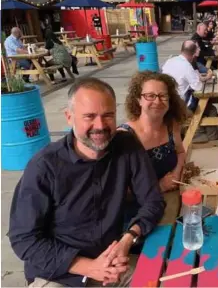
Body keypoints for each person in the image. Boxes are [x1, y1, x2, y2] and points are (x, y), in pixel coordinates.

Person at [8, 78, 166, 287]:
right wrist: (89, 267)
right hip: (59, 274)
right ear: (69, 117)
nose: (100, 126)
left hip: (113, 264)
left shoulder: (126, 145)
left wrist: (128, 239)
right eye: (89, 117)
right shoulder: (44, 166)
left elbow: (153, 201)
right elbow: (24, 239)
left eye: (108, 115)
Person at [119, 71, 188, 192]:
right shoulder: (124, 136)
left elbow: (180, 152)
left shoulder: (171, 126)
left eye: (163, 96)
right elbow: (118, 189)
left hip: (172, 196)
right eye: (150, 96)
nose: (157, 101)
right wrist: (159, 186)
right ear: (138, 100)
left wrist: (176, 174)